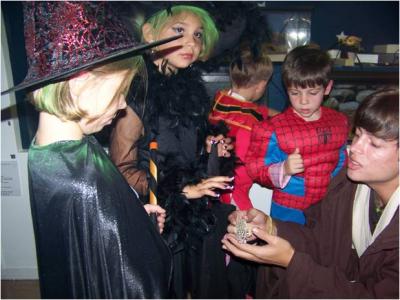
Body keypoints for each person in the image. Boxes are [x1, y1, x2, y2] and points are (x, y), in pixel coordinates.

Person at [1, 2, 183, 298]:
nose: (124, 103)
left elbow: (92, 240)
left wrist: (134, 220)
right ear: (79, 84)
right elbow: (134, 286)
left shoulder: (50, 151)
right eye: (119, 90)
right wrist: (149, 243)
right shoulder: (82, 179)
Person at [222, 89, 399, 298]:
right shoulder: (347, 186)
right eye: (358, 135)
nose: (355, 149)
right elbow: (320, 240)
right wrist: (269, 226)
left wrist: (291, 261)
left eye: (375, 144)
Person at [109, 4, 235, 298]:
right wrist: (179, 192)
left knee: (204, 280)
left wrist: (210, 148)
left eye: (198, 35)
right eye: (179, 30)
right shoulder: (136, 92)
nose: (192, 42)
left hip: (194, 214)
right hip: (157, 219)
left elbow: (186, 154)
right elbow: (122, 171)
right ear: (149, 32)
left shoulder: (190, 89)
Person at [245, 45, 349, 224]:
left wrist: (336, 189)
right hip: (289, 209)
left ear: (327, 88)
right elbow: (255, 167)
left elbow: (342, 159)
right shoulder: (273, 129)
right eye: (295, 93)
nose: (303, 101)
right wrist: (283, 169)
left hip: (328, 205)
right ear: (287, 89)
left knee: (324, 249)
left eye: (312, 92)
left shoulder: (339, 122)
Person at [209, 47, 278, 210]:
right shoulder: (249, 125)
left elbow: (249, 109)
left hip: (213, 184)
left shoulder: (221, 99)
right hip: (233, 192)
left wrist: (274, 113)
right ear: (261, 85)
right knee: (242, 230)